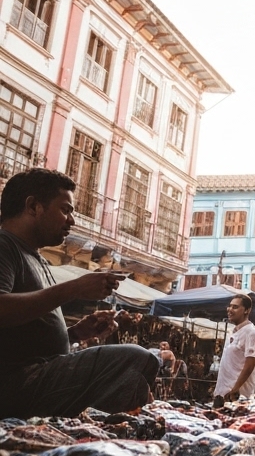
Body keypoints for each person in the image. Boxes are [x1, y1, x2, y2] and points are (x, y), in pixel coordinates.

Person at [0, 169, 159, 418]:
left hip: (39, 375)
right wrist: (74, 288)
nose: (71, 221)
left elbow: (25, 338)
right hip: (17, 383)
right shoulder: (4, 245)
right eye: (65, 210)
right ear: (33, 206)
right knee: (136, 358)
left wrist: (75, 333)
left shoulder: (37, 258)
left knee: (136, 371)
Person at [213, 294, 255, 406]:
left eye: (235, 307)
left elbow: (250, 364)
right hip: (222, 394)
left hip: (237, 398)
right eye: (229, 306)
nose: (229, 310)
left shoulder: (251, 332)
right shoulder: (232, 331)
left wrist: (235, 389)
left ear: (247, 310)